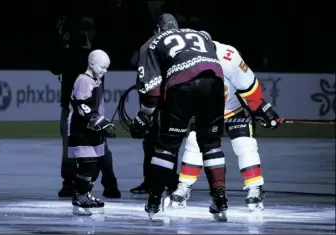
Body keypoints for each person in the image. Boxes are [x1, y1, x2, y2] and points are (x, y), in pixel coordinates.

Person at [130, 13, 227, 221]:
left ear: (157, 29)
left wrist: (144, 115)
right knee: (211, 143)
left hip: (182, 85)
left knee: (167, 145)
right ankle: (219, 198)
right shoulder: (200, 34)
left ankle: (155, 198)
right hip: (215, 81)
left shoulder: (152, 43)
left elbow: (151, 89)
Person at [170, 36, 281, 211]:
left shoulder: (229, 56)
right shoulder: (184, 57)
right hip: (206, 110)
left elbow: (249, 85)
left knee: (244, 144)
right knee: (193, 142)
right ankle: (184, 186)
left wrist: (260, 107)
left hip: (234, 108)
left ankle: (255, 188)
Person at [50, 17, 120, 198]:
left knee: (82, 147)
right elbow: (55, 67)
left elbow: (56, 67)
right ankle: (108, 184)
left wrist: (63, 43)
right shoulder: (82, 55)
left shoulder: (89, 57)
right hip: (80, 108)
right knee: (97, 147)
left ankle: (72, 184)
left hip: (81, 108)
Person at [68, 49, 116, 216]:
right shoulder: (84, 80)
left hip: (92, 132)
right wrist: (99, 122)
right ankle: (79, 196)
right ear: (92, 64)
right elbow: (83, 106)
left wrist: (102, 123)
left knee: (93, 166)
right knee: (87, 165)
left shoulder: (96, 81)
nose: (105, 71)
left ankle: (83, 194)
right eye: (103, 67)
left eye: (107, 68)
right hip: (82, 132)